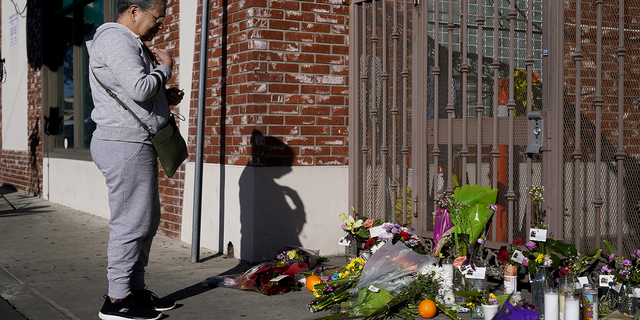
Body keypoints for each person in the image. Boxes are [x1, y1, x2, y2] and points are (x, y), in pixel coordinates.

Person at [87, 1, 184, 319]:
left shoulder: (129, 42)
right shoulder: (116, 39)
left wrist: (163, 96)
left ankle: (134, 291)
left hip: (135, 142)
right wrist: (166, 67)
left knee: (146, 222)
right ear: (133, 10)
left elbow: (135, 92)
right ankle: (116, 301)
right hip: (122, 144)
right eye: (157, 18)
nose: (160, 25)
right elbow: (140, 88)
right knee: (130, 224)